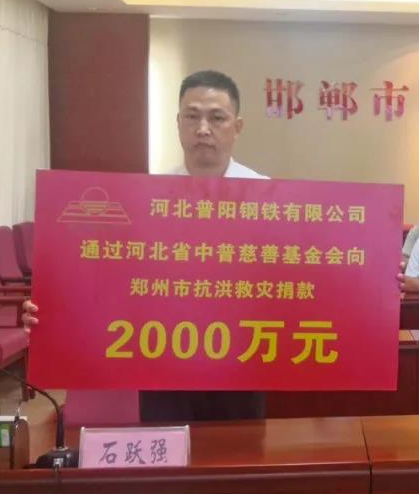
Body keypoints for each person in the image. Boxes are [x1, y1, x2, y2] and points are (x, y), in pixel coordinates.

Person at [23, 70, 267, 422]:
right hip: (162, 360)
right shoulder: (147, 197)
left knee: (236, 452)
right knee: (167, 453)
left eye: (217, 118)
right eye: (192, 116)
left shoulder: (267, 198)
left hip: (241, 361)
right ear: (178, 123)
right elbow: (108, 279)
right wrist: (51, 309)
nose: (203, 129)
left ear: (237, 127)